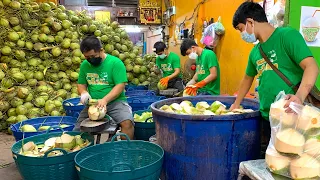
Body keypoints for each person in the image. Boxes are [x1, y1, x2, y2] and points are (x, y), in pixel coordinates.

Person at [231, 2, 319, 157]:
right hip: (267, 118)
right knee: (270, 162)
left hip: (292, 118)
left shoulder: (286, 36)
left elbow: (311, 67)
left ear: (250, 22)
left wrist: (299, 97)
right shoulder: (255, 52)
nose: (242, 34)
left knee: (292, 163)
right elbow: (247, 78)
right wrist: (236, 103)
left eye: (240, 29)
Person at [74, 36, 135, 140]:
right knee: (78, 130)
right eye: (87, 57)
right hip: (94, 104)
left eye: (92, 56)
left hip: (116, 102)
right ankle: (85, 151)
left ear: (101, 50)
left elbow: (120, 85)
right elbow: (81, 84)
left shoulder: (115, 63)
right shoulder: (85, 65)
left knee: (127, 123)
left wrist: (105, 100)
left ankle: (126, 149)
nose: (90, 60)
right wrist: (83, 93)